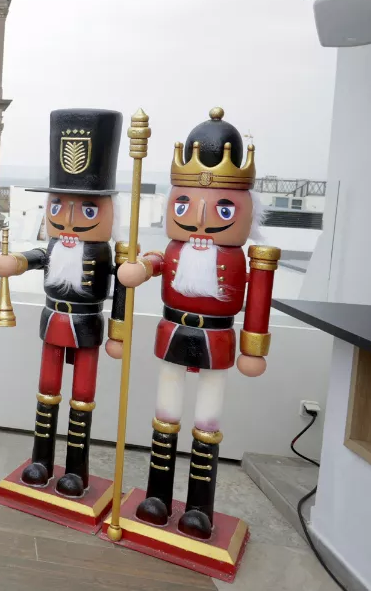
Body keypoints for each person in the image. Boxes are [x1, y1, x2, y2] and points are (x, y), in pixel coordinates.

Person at [113, 108, 279, 541]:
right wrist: (138, 269)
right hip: (173, 332)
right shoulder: (173, 249)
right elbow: (150, 264)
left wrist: (253, 349)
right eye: (184, 204)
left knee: (207, 422)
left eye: (222, 208)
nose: (199, 219)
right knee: (164, 417)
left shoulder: (241, 257)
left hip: (219, 337)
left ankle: (200, 508)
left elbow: (258, 301)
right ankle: (157, 497)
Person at [0, 109, 122, 498]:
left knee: (82, 398)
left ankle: (76, 471)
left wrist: (118, 332)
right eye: (58, 205)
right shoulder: (54, 244)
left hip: (87, 324)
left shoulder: (104, 251)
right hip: (53, 322)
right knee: (47, 392)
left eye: (86, 209)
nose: (68, 218)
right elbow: (37, 256)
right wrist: (15, 262)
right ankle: (41, 460)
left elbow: (122, 291)